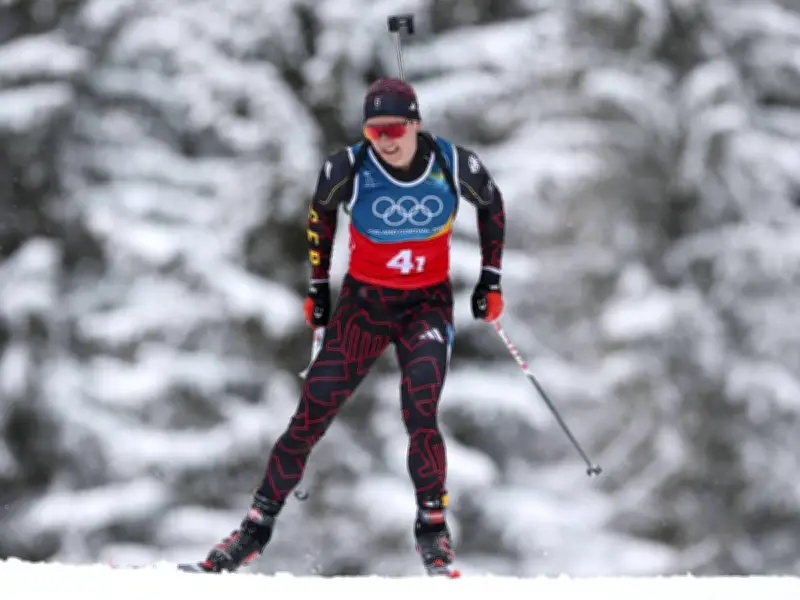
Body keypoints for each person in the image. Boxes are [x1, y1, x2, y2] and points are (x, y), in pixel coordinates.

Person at [178, 76, 506, 578]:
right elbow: (320, 216)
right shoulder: (348, 166)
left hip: (427, 307)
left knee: (420, 408)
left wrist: (490, 279)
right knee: (311, 413)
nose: (386, 140)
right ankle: (252, 531)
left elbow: (492, 205)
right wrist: (317, 287)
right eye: (375, 131)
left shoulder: (453, 163)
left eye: (395, 127)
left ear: (416, 123)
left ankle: (433, 533)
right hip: (365, 307)